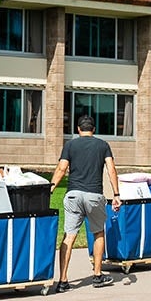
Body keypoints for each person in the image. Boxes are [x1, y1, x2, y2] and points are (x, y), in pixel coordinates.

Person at [50, 114, 120, 291]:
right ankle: (97, 275)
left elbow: (61, 168)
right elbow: (111, 169)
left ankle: (63, 280)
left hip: (73, 194)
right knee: (98, 233)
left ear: (78, 129)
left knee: (69, 235)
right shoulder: (103, 145)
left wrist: (50, 188)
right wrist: (116, 193)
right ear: (93, 129)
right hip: (94, 196)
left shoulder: (70, 145)